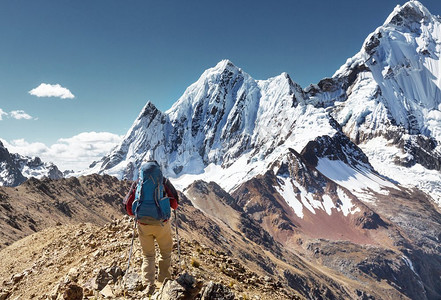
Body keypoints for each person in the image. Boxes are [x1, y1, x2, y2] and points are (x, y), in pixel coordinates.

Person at [135, 161, 179, 295]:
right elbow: (175, 203)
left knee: (148, 255)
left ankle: (148, 284)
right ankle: (163, 283)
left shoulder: (139, 184)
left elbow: (129, 207)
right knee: (165, 253)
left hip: (143, 225)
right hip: (161, 224)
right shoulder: (164, 182)